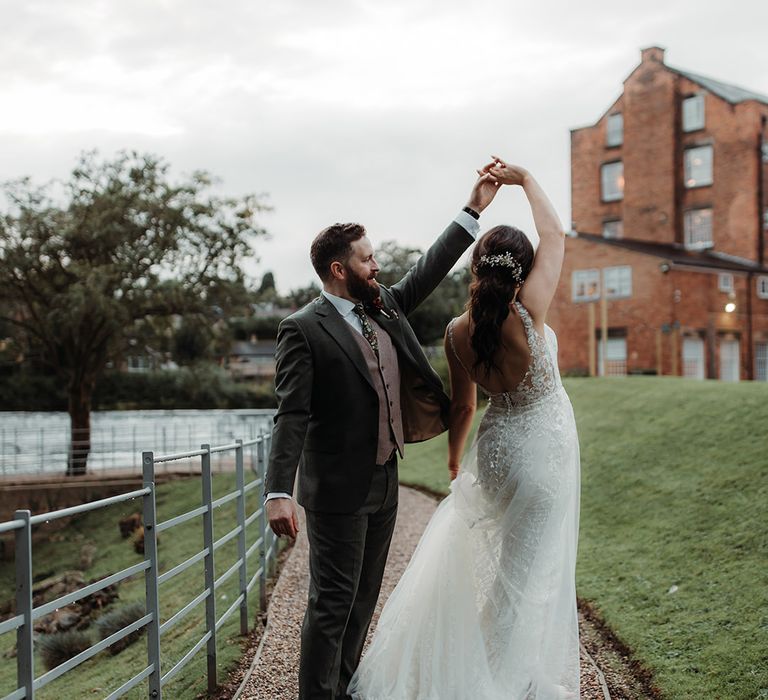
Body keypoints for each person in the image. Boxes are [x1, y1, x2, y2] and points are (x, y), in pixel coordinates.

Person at [264, 165, 503, 700]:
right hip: (337, 490)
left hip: (385, 481)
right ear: (337, 268)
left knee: (364, 598)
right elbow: (291, 415)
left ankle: (342, 689)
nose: (377, 265)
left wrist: (474, 210)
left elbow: (429, 268)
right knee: (332, 602)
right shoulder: (302, 328)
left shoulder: (384, 305)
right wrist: (279, 491)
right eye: (366, 258)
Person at [348, 158, 581, 700]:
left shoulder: (457, 332)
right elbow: (556, 233)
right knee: (527, 572)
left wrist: (457, 463)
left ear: (476, 267)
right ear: (521, 271)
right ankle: (501, 678)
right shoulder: (530, 312)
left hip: (495, 452)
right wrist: (524, 181)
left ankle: (499, 664)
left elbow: (463, 409)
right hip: (542, 452)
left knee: (508, 565)